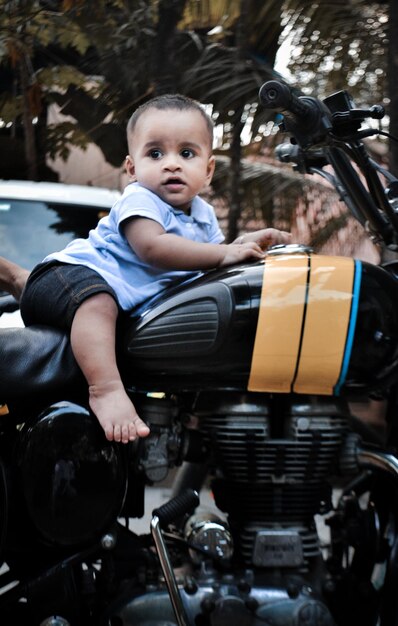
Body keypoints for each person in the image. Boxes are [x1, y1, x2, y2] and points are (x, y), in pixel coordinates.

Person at [1, 94, 291, 444]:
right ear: (132, 169)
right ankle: (106, 389)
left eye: (187, 153)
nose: (172, 164)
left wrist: (242, 247)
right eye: (155, 154)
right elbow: (153, 248)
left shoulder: (203, 216)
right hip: (68, 275)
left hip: (99, 293)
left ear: (208, 169)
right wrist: (223, 254)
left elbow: (211, 260)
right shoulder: (140, 200)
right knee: (98, 302)